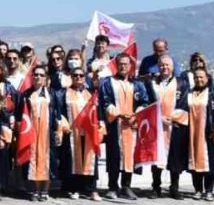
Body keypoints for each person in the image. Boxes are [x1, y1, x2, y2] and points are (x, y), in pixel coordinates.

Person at [100, 53, 156, 199]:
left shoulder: (137, 84)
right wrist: (118, 114)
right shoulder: (108, 82)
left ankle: (126, 186)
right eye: (120, 63)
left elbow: (144, 102)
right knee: (114, 156)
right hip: (115, 125)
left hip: (132, 126)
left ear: (130, 66)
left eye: (126, 64)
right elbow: (105, 102)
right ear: (116, 65)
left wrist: (136, 114)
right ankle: (112, 187)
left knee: (130, 156)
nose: (123, 66)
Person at [168, 67, 214, 201]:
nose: (199, 80)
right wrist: (174, 119)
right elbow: (182, 110)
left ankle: (209, 190)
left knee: (210, 162)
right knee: (194, 161)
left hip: (208, 134)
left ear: (207, 78)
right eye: (196, 77)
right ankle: (198, 189)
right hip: (192, 133)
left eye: (201, 77)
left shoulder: (213, 94)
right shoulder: (189, 94)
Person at [54, 54, 102, 201]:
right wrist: (63, 123)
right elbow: (59, 112)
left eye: (81, 75)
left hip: (88, 132)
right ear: (71, 77)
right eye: (75, 75)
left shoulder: (91, 94)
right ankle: (74, 188)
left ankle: (91, 189)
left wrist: (100, 124)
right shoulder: (64, 93)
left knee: (89, 160)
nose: (78, 78)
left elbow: (98, 113)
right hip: (72, 132)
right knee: (73, 161)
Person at [17, 64, 55, 201]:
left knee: (46, 160)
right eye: (36, 74)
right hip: (30, 132)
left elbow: (57, 113)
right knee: (31, 159)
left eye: (41, 75)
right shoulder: (26, 94)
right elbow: (20, 114)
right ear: (32, 77)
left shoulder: (51, 94)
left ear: (46, 78)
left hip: (46, 133)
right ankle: (32, 190)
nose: (38, 77)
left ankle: (44, 190)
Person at [151, 55, 184, 197]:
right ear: (158, 66)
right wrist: (158, 118)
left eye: (167, 65)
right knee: (156, 157)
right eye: (162, 65)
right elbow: (148, 103)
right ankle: (156, 186)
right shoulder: (152, 83)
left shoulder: (181, 84)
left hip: (174, 125)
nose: (164, 67)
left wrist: (172, 118)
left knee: (175, 157)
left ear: (172, 67)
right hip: (156, 126)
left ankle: (174, 187)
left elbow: (184, 104)